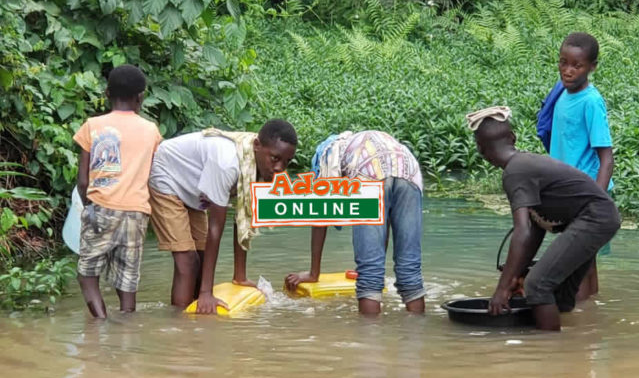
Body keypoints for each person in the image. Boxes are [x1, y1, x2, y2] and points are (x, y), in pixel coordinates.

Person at [468, 107, 620, 331]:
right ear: (513, 138)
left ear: (480, 149)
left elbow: (522, 232)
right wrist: (515, 276)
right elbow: (535, 228)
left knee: (537, 285)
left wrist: (502, 289)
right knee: (559, 295)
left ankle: (550, 353)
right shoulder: (524, 165)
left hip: (593, 218)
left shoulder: (515, 172)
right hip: (602, 217)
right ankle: (573, 347)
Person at [148, 120, 297, 314]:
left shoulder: (258, 165)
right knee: (187, 261)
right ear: (257, 146)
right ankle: (178, 327)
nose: (280, 168)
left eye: (286, 162)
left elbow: (242, 218)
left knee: (201, 257)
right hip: (166, 175)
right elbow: (215, 228)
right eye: (275, 158)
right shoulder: (228, 163)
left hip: (193, 188)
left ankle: (195, 317)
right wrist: (206, 293)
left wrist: (240, 277)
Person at [284, 130, 426, 315]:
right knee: (410, 268)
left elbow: (320, 214)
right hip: (408, 170)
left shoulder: (325, 153)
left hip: (368, 173)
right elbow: (384, 218)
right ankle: (417, 334)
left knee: (369, 277)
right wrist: (375, 259)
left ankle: (367, 340)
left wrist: (313, 273)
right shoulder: (363, 143)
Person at [74, 64, 162, 318]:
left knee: (87, 274)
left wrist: (88, 208)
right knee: (127, 280)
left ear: (106, 92)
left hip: (102, 206)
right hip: (137, 213)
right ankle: (126, 328)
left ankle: (101, 325)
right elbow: (154, 175)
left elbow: (83, 181)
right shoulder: (151, 130)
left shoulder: (92, 125)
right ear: (140, 97)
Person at [550, 32, 615, 300]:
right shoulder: (561, 93)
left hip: (587, 193)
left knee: (580, 261)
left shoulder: (591, 102)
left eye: (576, 65)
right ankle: (590, 312)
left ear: (592, 67)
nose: (567, 70)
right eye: (563, 62)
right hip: (568, 192)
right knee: (585, 261)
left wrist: (596, 202)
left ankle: (579, 316)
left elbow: (607, 158)